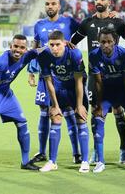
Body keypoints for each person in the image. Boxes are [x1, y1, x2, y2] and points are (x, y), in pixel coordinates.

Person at [70, 0, 125, 164]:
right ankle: (96, 150)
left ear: (109, 2)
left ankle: (123, 148)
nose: (98, 1)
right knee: (96, 112)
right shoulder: (87, 23)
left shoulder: (118, 22)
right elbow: (72, 43)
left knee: (119, 111)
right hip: (95, 77)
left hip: (117, 76)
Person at [29, 0, 82, 164]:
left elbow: (86, 29)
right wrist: (31, 71)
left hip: (65, 76)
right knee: (44, 112)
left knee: (70, 113)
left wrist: (72, 43)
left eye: (53, 4)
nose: (50, 6)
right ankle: (42, 152)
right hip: (46, 76)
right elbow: (35, 49)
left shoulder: (69, 22)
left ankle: (77, 154)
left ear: (59, 6)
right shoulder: (39, 25)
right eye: (47, 4)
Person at [89, 27, 125, 173]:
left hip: (124, 89)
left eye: (109, 42)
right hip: (106, 90)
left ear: (115, 42)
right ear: (98, 42)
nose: (105, 45)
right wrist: (99, 106)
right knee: (97, 118)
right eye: (102, 42)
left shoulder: (123, 53)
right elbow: (98, 83)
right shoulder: (94, 55)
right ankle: (100, 161)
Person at [38, 31, 89, 173]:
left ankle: (85, 161)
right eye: (51, 45)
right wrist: (54, 105)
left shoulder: (75, 54)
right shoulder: (44, 56)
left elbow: (79, 81)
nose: (54, 48)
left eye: (57, 45)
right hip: (58, 90)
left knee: (81, 119)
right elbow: (49, 82)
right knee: (55, 119)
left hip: (74, 90)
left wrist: (79, 105)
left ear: (64, 43)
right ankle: (52, 162)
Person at [0, 34, 41, 170]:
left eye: (21, 47)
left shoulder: (26, 56)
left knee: (22, 123)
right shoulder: (0, 63)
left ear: (25, 49)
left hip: (6, 94)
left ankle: (25, 162)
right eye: (15, 46)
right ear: (10, 46)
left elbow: (40, 50)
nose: (18, 50)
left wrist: (63, 44)